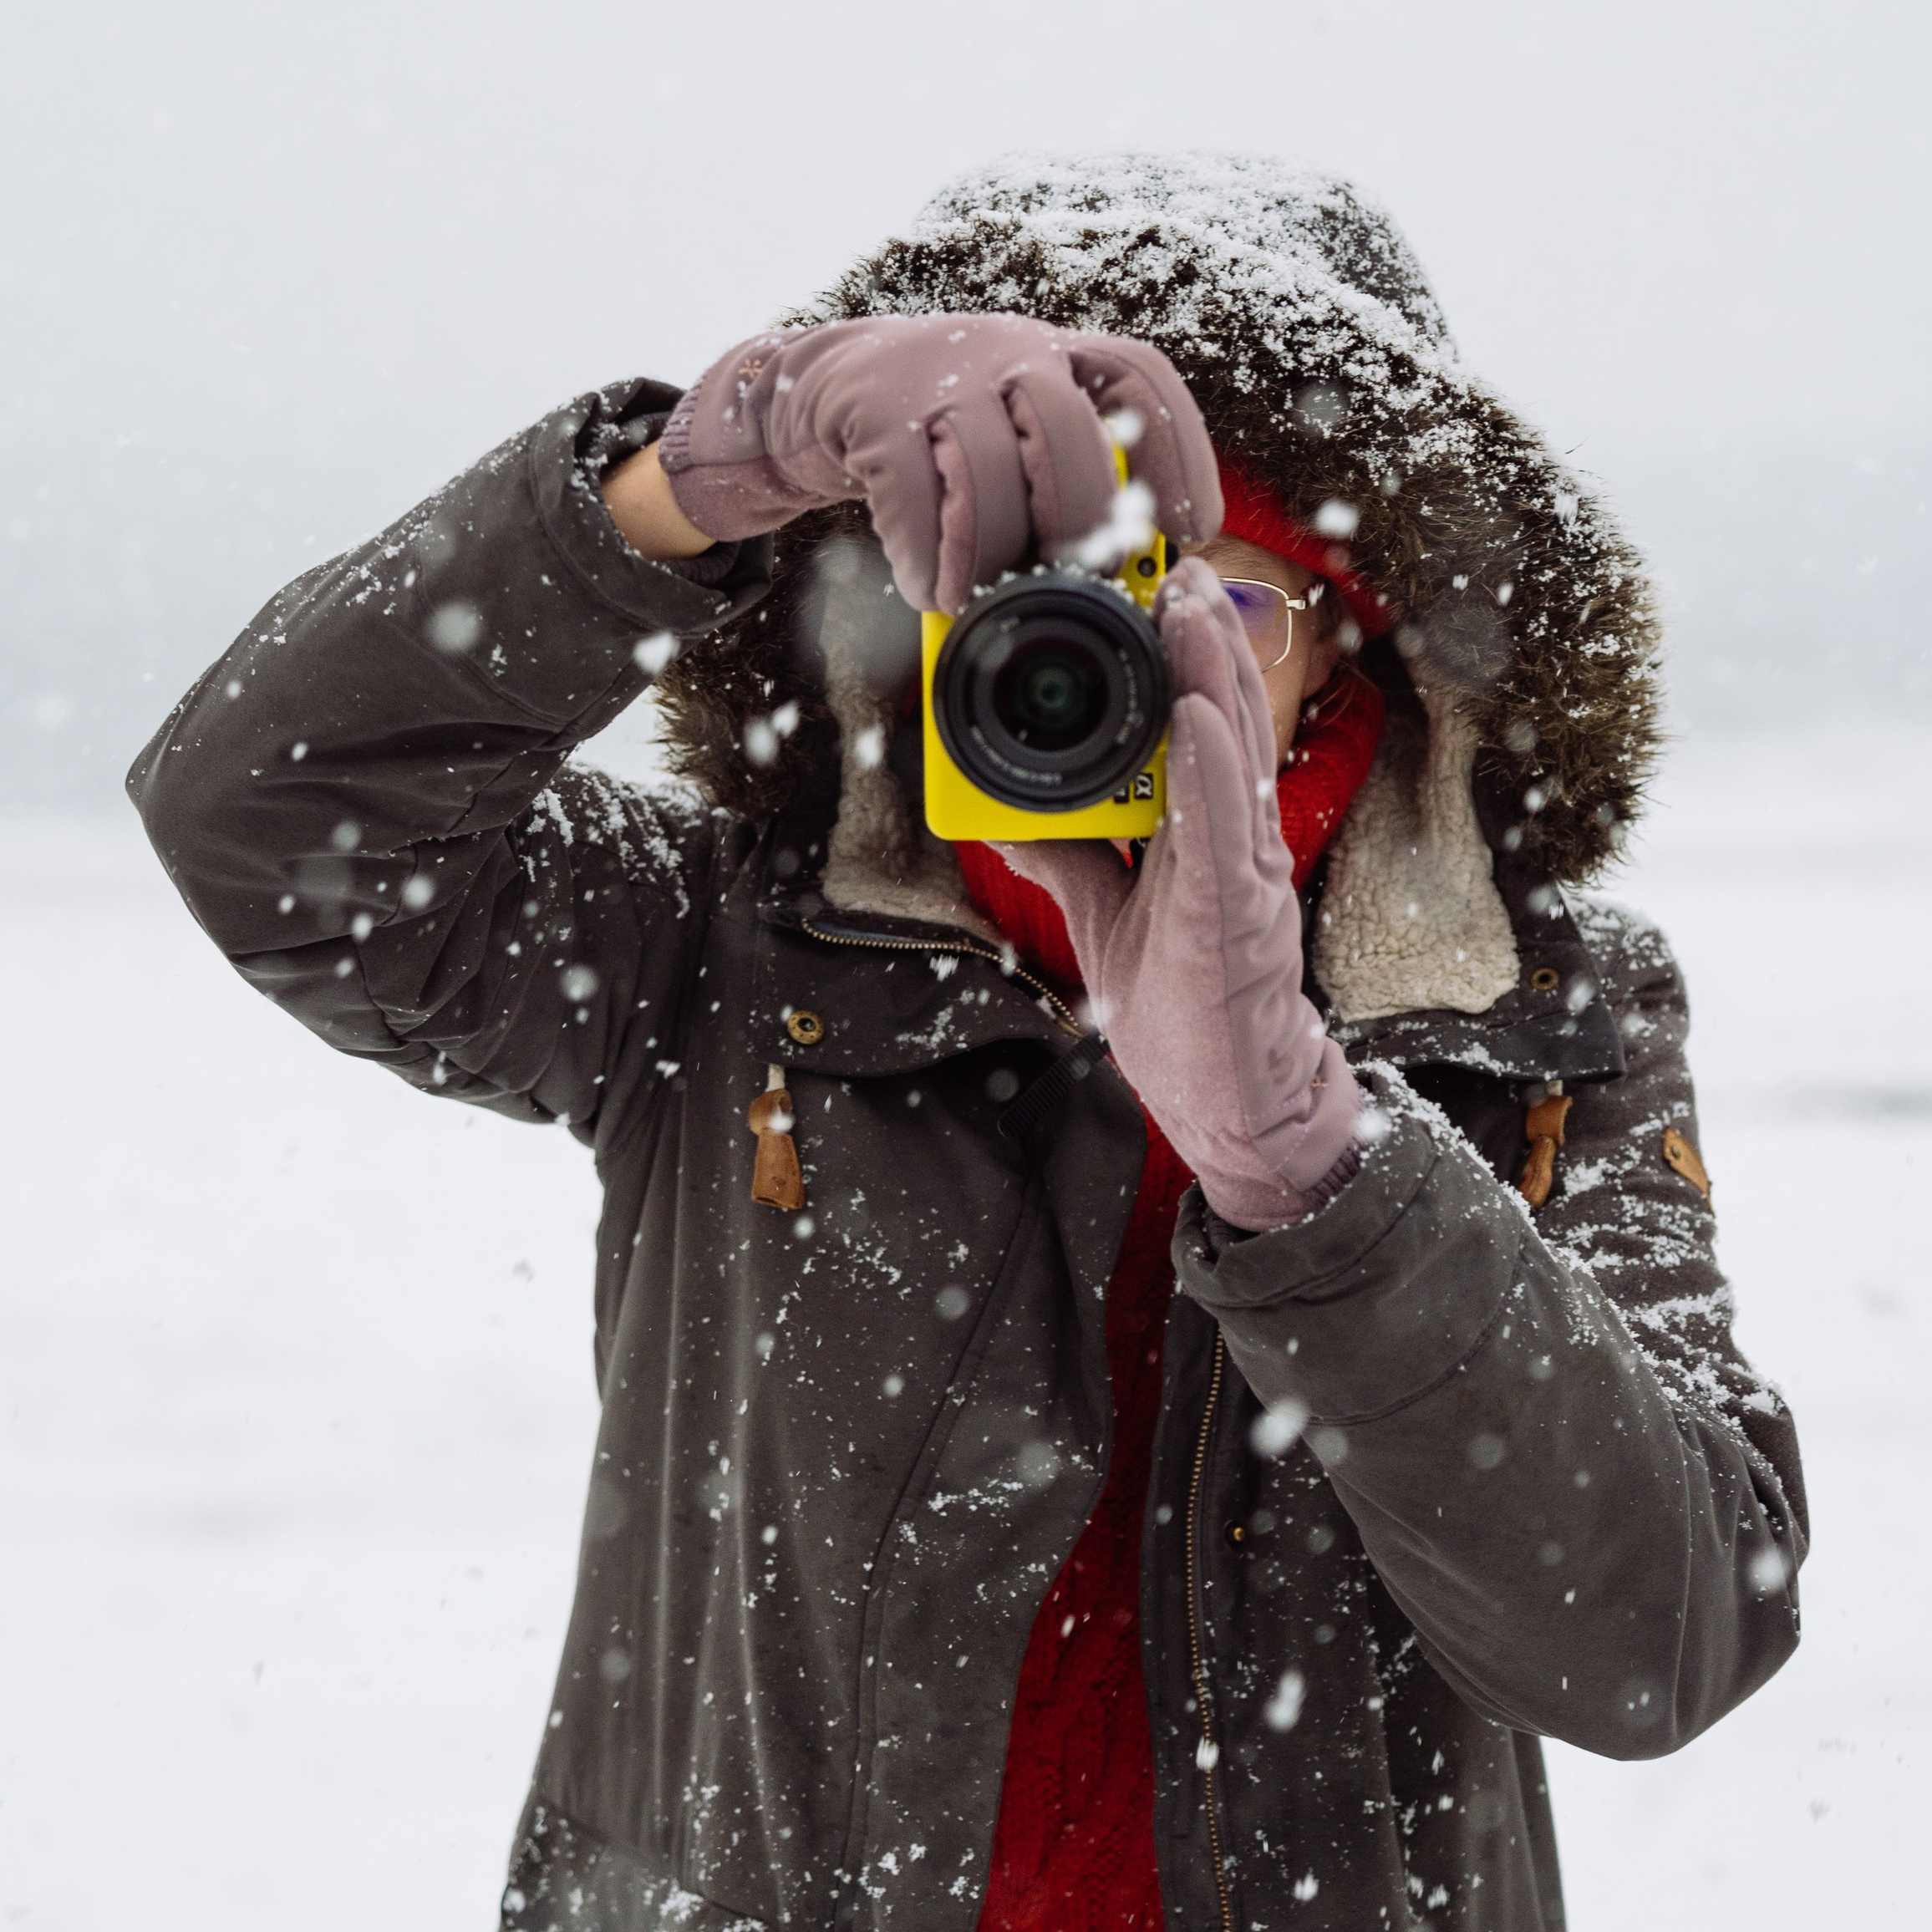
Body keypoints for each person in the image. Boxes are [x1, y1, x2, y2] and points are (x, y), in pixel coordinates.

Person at [131, 154, 1806, 1932]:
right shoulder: (725, 946)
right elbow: (266, 820)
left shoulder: (1536, 1015)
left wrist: (1314, 1161)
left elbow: (1663, 1634)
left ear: (1350, 652)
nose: (1119, 679)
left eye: (1210, 612)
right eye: (1035, 601)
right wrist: (699, 474)